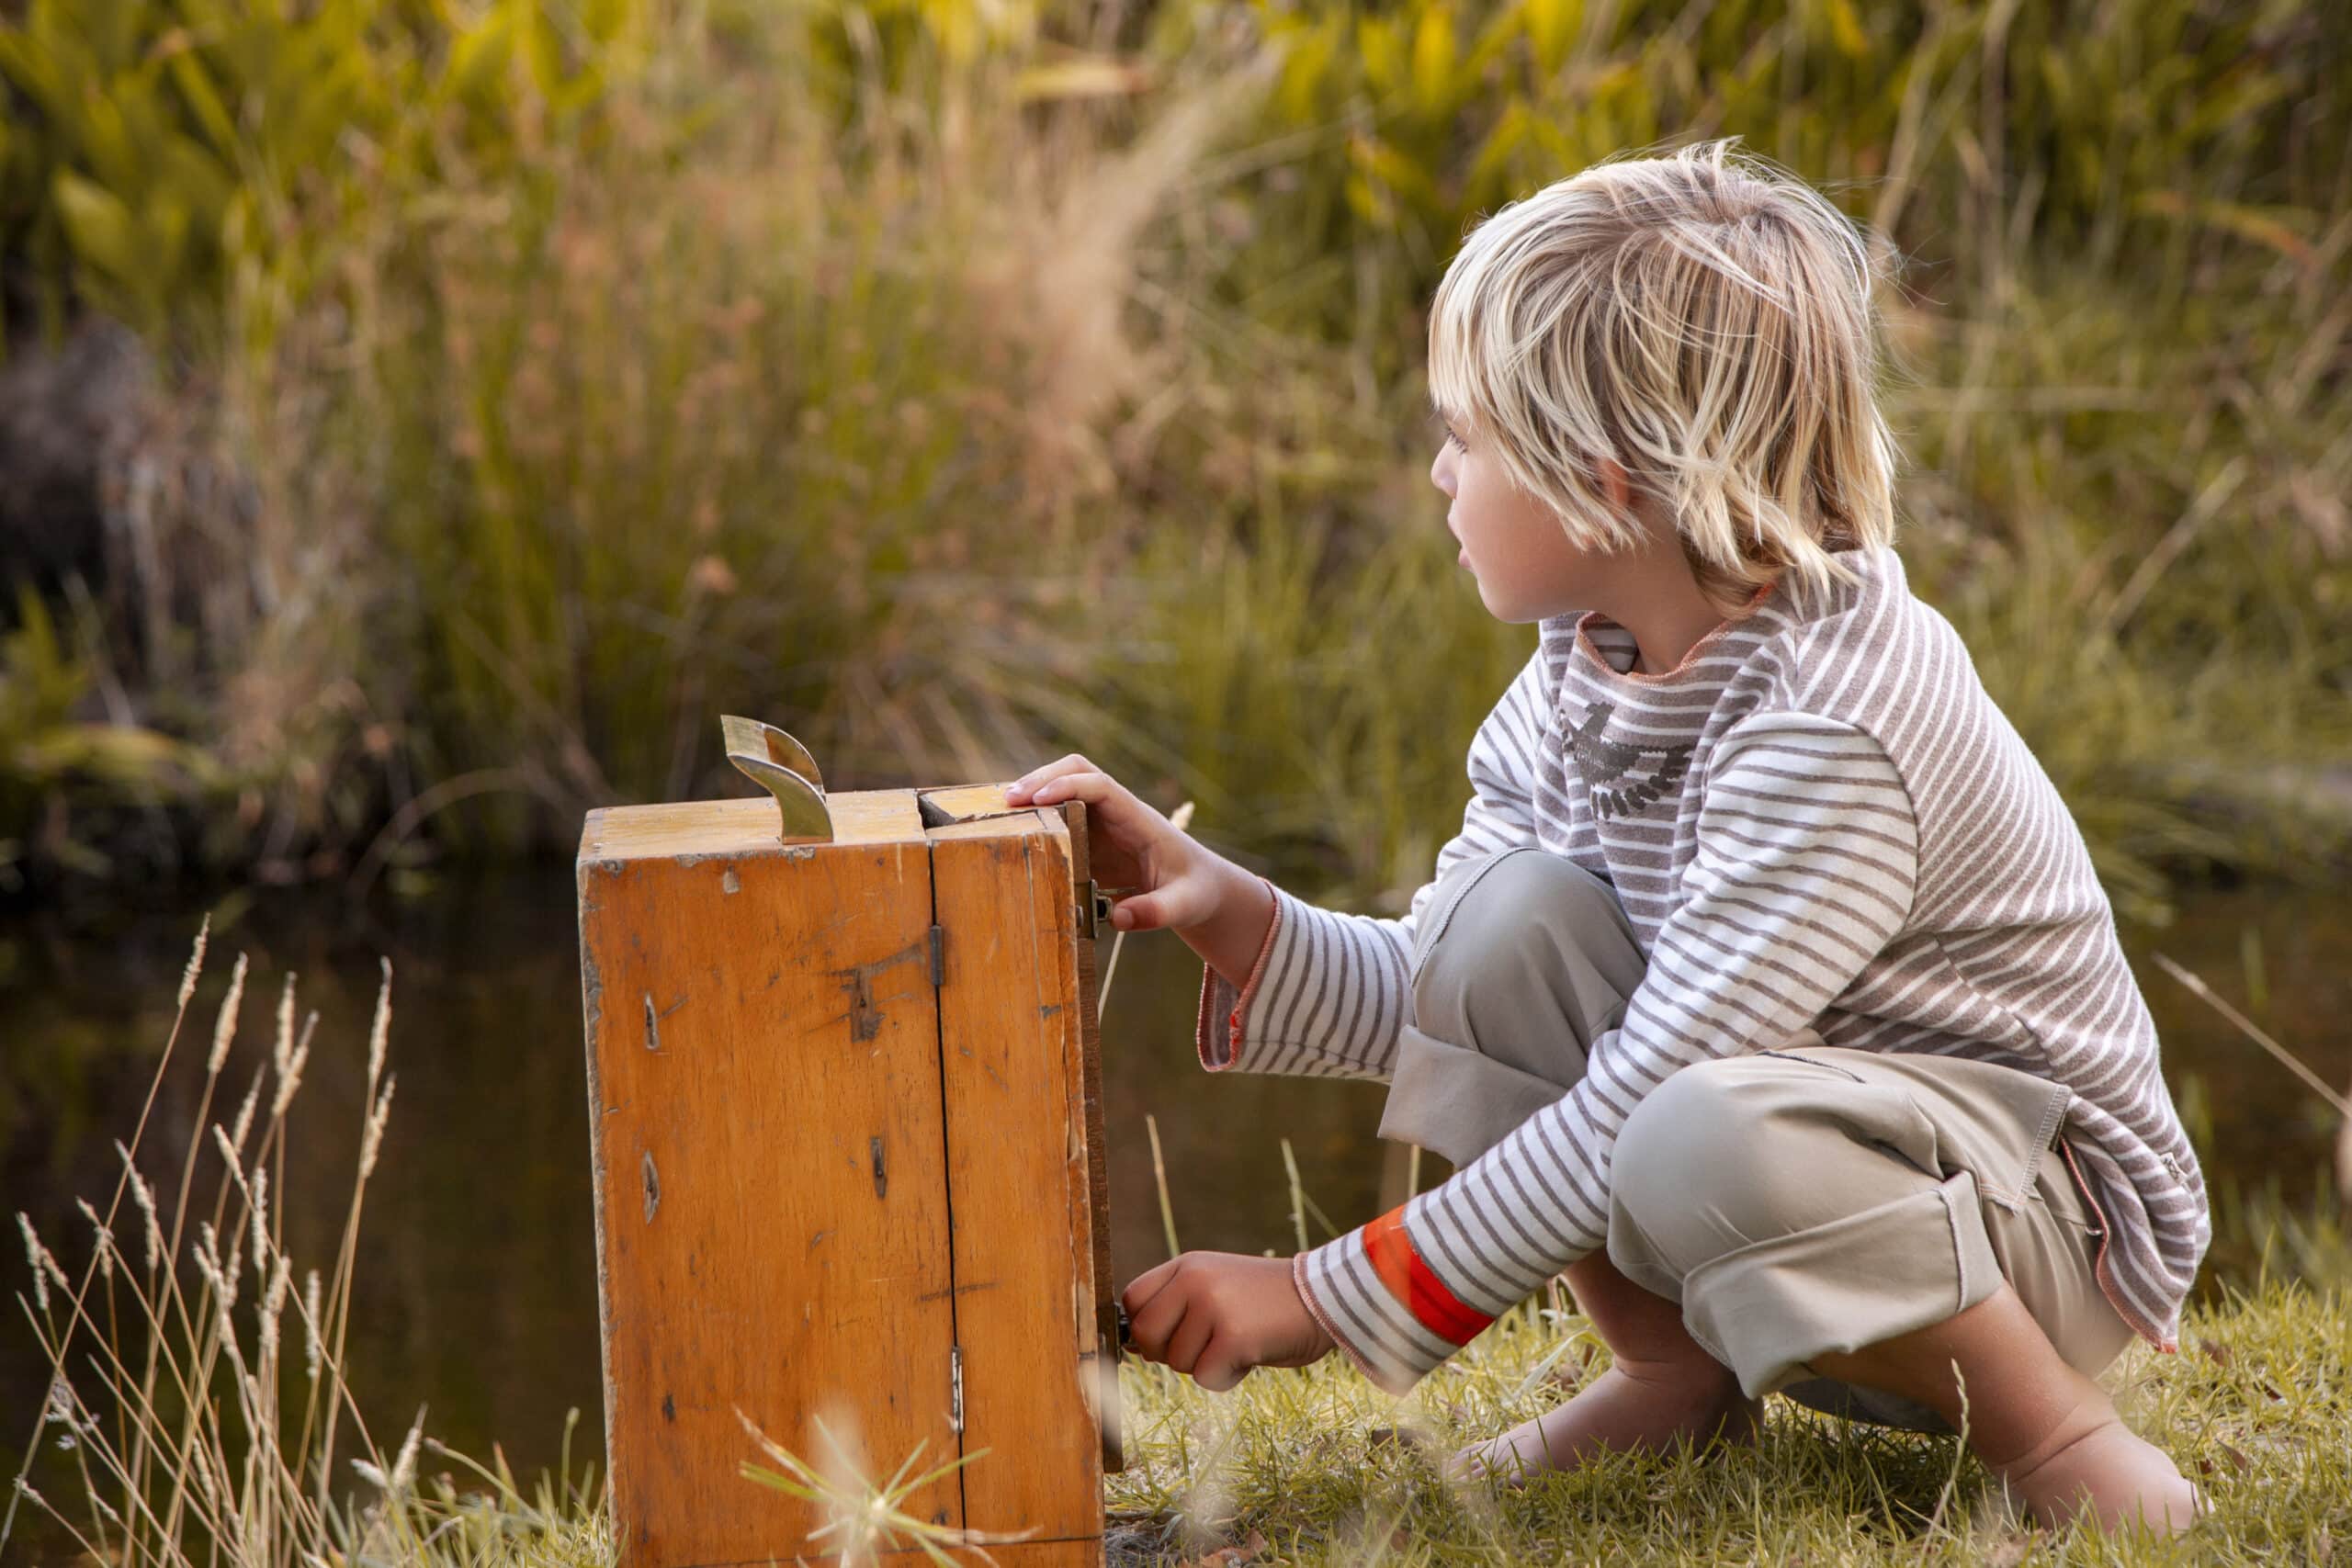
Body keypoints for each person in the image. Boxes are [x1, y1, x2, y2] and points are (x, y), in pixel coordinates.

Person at [1003, 138, 2206, 1536]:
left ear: (1601, 480)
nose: (1442, 473)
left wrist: (1324, 1297)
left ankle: (2057, 1439)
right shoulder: (1589, 665)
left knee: (1694, 1130)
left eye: (1467, 437)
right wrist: (1227, 907)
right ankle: (1671, 1377)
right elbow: (1449, 999)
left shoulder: (1835, 725)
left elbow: (1653, 1097)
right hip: (1796, 1172)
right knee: (1504, 922)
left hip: (2038, 1235)